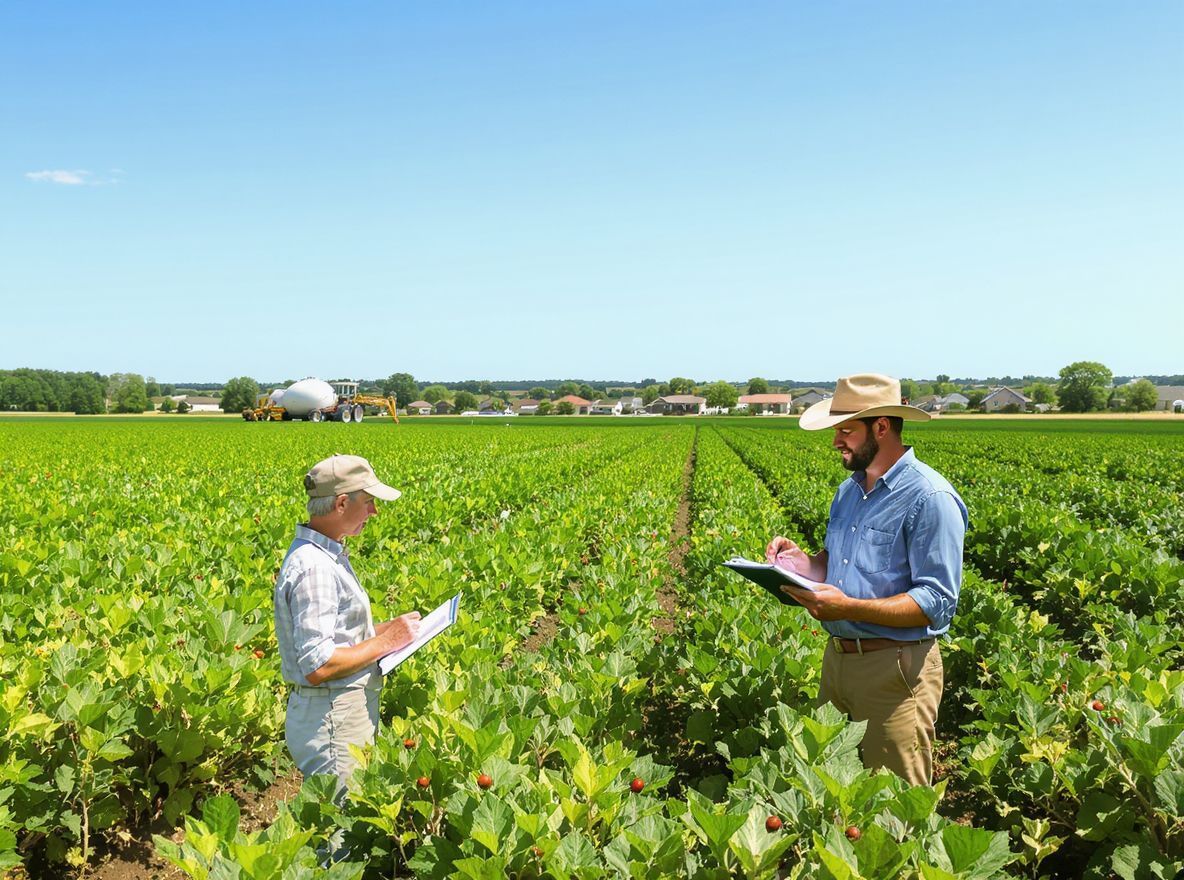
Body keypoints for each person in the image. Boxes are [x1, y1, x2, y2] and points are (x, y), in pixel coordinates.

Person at [766, 374, 967, 786]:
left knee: (894, 805)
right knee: (827, 790)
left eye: (845, 430)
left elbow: (936, 601)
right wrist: (804, 565)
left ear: (880, 427)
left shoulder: (930, 498)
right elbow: (839, 567)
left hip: (895, 671)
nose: (837, 441)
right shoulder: (849, 491)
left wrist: (849, 608)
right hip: (837, 662)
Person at [274, 453, 422, 798]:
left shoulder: (325, 554)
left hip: (335, 713)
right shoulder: (315, 568)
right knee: (340, 833)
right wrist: (386, 643)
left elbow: (338, 635)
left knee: (347, 820)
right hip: (331, 719)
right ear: (342, 503)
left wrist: (388, 630)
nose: (374, 512)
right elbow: (319, 664)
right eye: (368, 502)